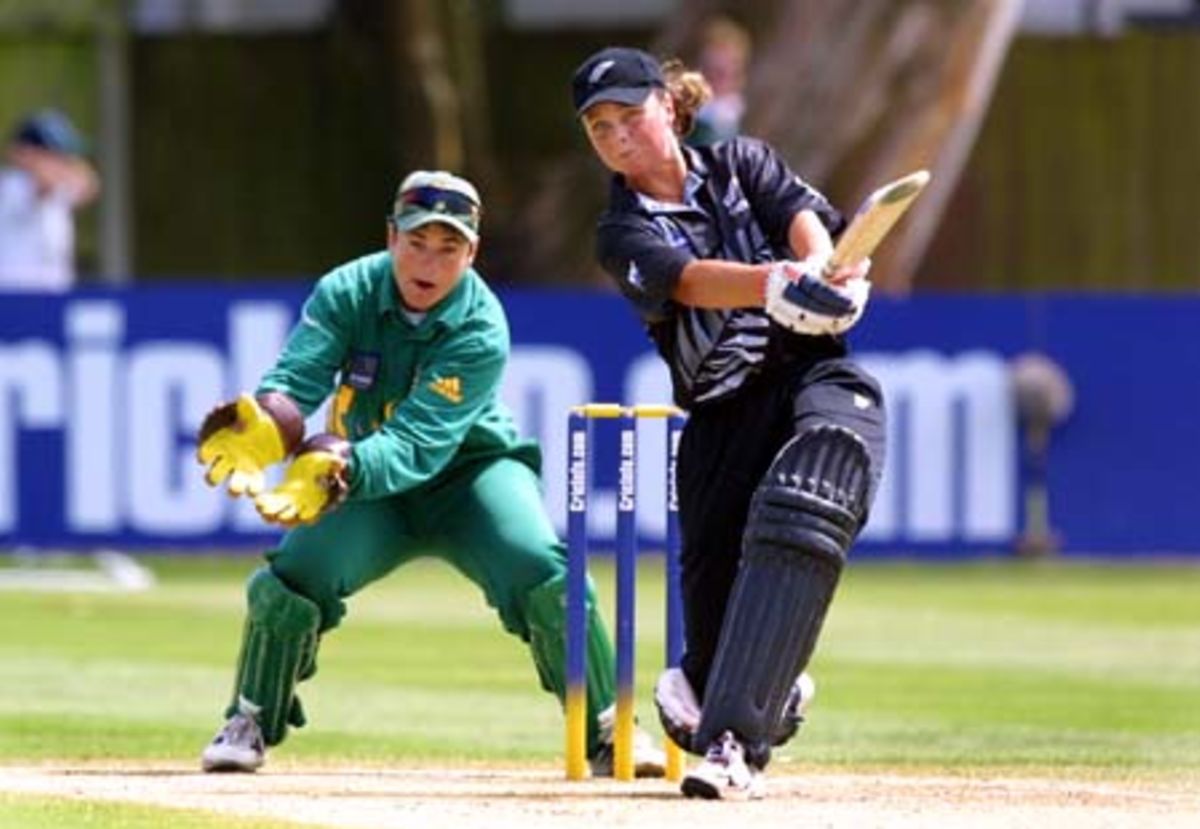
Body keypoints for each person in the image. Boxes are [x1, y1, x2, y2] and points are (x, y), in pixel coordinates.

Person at [195, 170, 666, 778]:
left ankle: (608, 727)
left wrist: (341, 466)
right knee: (292, 578)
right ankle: (248, 718)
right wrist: (268, 422)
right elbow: (299, 375)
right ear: (391, 236)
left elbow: (420, 442)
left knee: (548, 574)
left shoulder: (481, 326)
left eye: (449, 248)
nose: (429, 262)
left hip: (470, 477)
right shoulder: (347, 290)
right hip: (366, 485)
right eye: (417, 242)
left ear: (471, 253)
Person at [570, 48, 887, 800]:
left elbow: (806, 223)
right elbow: (686, 281)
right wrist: (774, 282)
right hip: (719, 422)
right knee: (708, 675)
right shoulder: (620, 231)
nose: (617, 136)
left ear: (669, 106)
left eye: (629, 115)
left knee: (820, 480)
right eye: (598, 126)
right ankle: (735, 696)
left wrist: (825, 272)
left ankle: (736, 740)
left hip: (812, 376)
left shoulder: (744, 163)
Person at [0, 109, 100, 291]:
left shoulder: (58, 189)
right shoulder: (10, 185)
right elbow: (43, 183)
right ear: (25, 152)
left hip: (53, 299)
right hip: (13, 302)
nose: (60, 161)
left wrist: (68, 162)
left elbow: (89, 187)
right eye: (53, 154)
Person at [686, 16, 752, 146]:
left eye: (726, 73)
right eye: (712, 71)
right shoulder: (682, 124)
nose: (719, 82)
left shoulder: (746, 118)